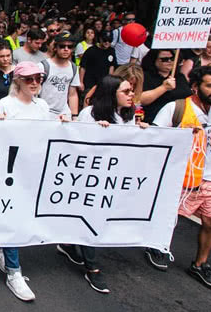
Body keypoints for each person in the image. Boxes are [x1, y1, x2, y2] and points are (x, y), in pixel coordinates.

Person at [58, 75, 149, 293]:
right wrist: (96, 132)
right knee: (92, 216)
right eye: (125, 92)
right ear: (111, 94)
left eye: (131, 91)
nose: (131, 96)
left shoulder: (128, 115)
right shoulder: (90, 114)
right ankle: (92, 268)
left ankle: (68, 243)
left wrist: (143, 131)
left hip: (114, 174)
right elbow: (77, 144)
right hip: (90, 177)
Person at [0, 61, 70, 301]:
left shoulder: (42, 106)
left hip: (33, 169)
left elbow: (46, 134)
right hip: (9, 170)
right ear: (18, 81)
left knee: (19, 216)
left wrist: (62, 125)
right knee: (13, 216)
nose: (35, 83)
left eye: (39, 78)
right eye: (29, 79)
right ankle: (14, 272)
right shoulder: (6, 104)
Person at [149, 67, 211, 291]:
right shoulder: (176, 108)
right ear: (196, 87)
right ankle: (158, 245)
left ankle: (200, 264)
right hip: (182, 174)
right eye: (210, 85)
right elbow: (156, 138)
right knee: (168, 215)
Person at [140, 49, 192, 124]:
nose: (169, 61)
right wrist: (163, 88)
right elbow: (140, 100)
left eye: (172, 58)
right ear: (154, 60)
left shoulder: (180, 77)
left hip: (179, 120)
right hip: (154, 120)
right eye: (164, 59)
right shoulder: (145, 76)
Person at [39, 32, 80, 118]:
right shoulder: (43, 66)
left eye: (70, 47)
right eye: (62, 46)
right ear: (55, 47)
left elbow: (72, 94)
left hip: (64, 113)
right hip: (45, 112)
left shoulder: (73, 67)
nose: (66, 49)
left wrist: (75, 116)